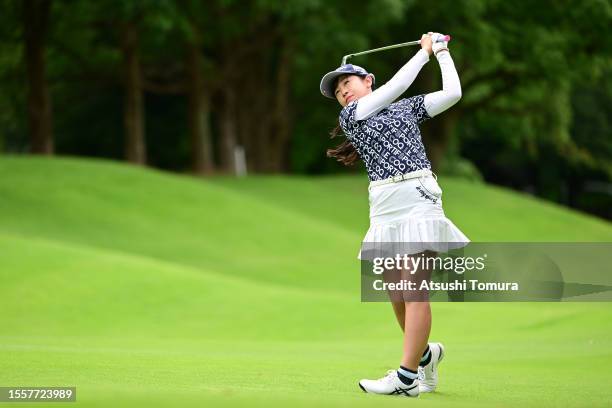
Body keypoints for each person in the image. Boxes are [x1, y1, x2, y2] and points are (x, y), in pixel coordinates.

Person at [319, 32, 470, 397]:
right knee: (398, 295)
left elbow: (452, 93)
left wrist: (442, 52)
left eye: (347, 84)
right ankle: (425, 357)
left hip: (419, 197)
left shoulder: (405, 109)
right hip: (384, 208)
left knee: (415, 291)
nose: (344, 93)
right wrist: (423, 53)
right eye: (338, 92)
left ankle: (405, 379)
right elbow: (397, 85)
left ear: (366, 79)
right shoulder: (353, 114)